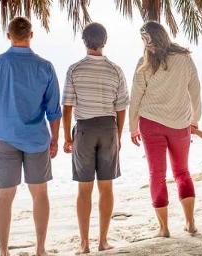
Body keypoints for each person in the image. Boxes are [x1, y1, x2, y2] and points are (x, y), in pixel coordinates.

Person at [0, 17, 61, 256]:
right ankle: (40, 249)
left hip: (5, 139)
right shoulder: (45, 66)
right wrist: (55, 138)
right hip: (36, 140)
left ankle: (4, 252)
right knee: (40, 194)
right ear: (31, 35)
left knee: (4, 197)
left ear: (8, 35)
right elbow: (53, 110)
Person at [129, 21, 202, 237]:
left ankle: (164, 228)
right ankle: (190, 223)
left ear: (148, 39)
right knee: (182, 172)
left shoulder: (144, 62)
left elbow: (136, 98)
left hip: (151, 123)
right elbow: (196, 90)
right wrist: (195, 119)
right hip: (180, 123)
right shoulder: (184, 58)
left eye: (144, 39)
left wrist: (133, 127)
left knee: (157, 174)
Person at [62, 22, 129, 254]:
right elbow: (121, 108)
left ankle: (84, 244)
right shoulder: (115, 70)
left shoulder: (75, 69)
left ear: (84, 41)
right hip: (108, 128)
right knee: (106, 187)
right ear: (105, 41)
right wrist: (118, 135)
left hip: (84, 129)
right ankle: (102, 241)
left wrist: (66, 137)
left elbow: (67, 106)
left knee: (84, 189)